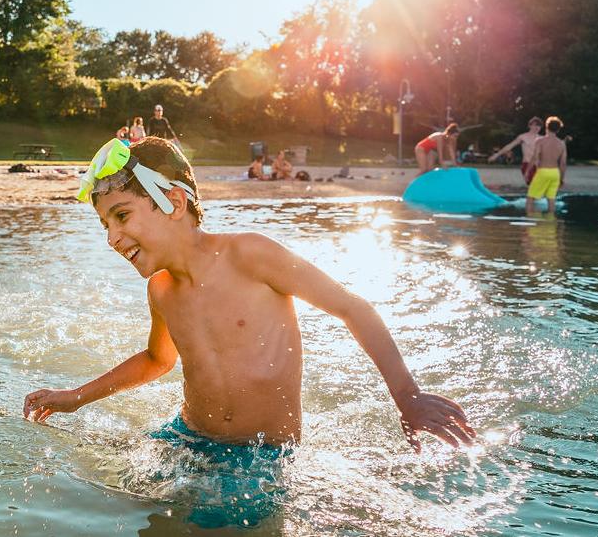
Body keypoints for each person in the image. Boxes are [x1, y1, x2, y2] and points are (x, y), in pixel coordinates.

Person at [23, 137, 475, 453]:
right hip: (188, 437)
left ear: (175, 204)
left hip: (265, 455)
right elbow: (158, 360)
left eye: (121, 216)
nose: (112, 238)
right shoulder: (160, 290)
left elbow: (351, 308)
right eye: (106, 224)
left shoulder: (249, 255)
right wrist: (74, 397)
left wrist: (407, 396)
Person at [526, 116, 567, 215]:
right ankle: (550, 225)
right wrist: (561, 178)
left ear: (546, 127)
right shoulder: (562, 144)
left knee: (530, 197)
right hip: (555, 173)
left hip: (543, 171)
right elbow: (563, 163)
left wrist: (527, 171)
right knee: (551, 199)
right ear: (558, 129)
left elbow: (535, 157)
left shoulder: (540, 141)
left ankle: (530, 222)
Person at [488, 117, 543, 184]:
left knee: (538, 187)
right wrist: (496, 155)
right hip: (527, 164)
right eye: (535, 125)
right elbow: (509, 146)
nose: (537, 127)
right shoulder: (523, 137)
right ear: (530, 126)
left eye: (539, 125)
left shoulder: (542, 139)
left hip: (539, 166)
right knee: (533, 186)